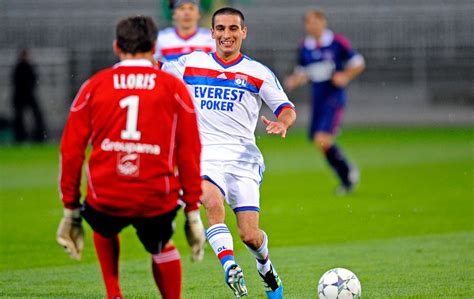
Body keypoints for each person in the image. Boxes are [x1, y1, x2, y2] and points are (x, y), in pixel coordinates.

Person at [56, 15, 205, 299]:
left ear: (116, 47)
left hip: (105, 193)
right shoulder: (173, 88)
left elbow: (71, 149)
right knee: (162, 246)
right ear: (154, 46)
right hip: (155, 195)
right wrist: (193, 213)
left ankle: (114, 293)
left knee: (103, 223)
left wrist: (71, 210)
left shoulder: (94, 85)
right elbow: (190, 151)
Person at [163, 7, 296, 299]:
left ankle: (265, 266)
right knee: (211, 201)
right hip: (204, 154)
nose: (226, 35)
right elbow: (157, 75)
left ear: (243, 32)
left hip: (244, 158)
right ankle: (230, 266)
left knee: (250, 235)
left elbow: (286, 108)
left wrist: (282, 122)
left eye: (233, 29)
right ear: (212, 33)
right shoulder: (189, 63)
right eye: (220, 29)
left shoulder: (257, 72)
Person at [284, 9, 366, 194]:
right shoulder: (305, 46)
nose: (312, 26)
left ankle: (346, 173)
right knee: (319, 141)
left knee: (323, 139)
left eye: (315, 21)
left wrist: (345, 75)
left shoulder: (337, 42)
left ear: (323, 22)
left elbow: (358, 62)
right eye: (309, 23)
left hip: (333, 97)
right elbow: (304, 72)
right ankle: (346, 176)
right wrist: (294, 80)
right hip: (317, 98)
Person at [11, 49, 47, 142]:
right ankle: (24, 137)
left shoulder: (24, 67)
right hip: (23, 95)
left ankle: (36, 136)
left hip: (26, 95)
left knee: (34, 116)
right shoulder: (21, 67)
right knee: (20, 118)